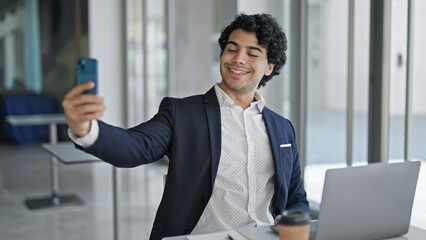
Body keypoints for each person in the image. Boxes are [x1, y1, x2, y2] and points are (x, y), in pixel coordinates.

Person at [63, 13, 309, 240]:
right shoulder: (181, 114)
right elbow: (135, 146)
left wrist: (292, 219)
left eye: (253, 53)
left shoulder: (282, 128)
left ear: (269, 67)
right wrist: (86, 128)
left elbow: (296, 197)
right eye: (231, 49)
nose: (238, 59)